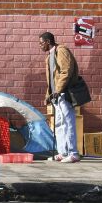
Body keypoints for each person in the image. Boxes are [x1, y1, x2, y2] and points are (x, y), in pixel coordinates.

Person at [40, 31, 80, 163]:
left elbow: (66, 71)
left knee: (68, 123)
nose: (40, 46)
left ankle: (73, 153)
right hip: (56, 95)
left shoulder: (61, 51)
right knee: (59, 124)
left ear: (47, 42)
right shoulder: (49, 56)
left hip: (64, 93)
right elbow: (52, 79)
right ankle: (62, 153)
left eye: (41, 43)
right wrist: (48, 95)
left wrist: (58, 89)